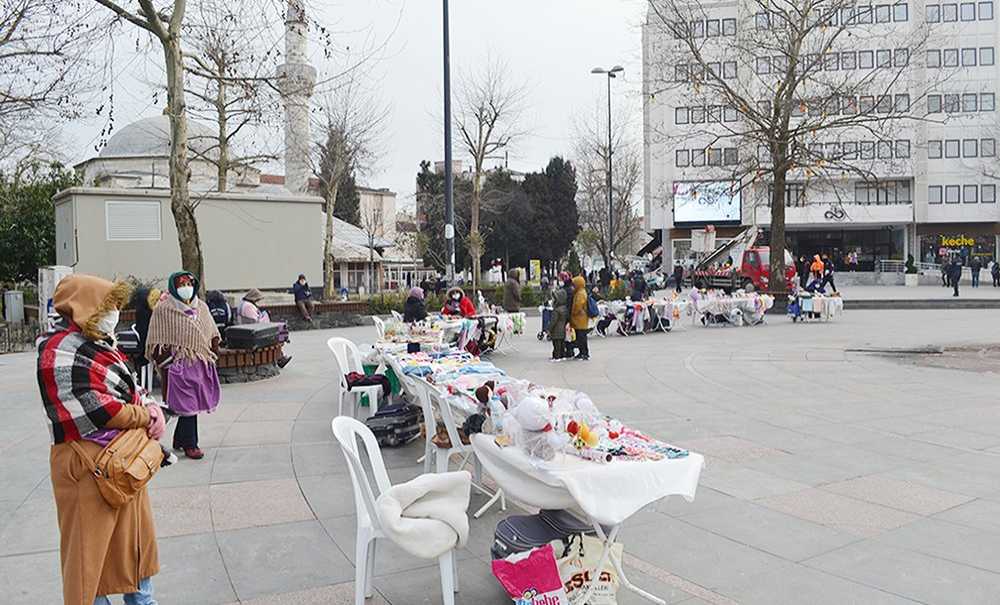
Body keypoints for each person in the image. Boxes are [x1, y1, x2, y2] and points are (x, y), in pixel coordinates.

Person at [37, 274, 165, 605]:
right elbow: (101, 409)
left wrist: (153, 408)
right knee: (89, 559)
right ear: (83, 307)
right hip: (85, 468)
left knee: (134, 549)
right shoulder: (58, 352)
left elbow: (133, 388)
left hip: (124, 461)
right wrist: (145, 416)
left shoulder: (103, 345)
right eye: (106, 306)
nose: (112, 314)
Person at [146, 272, 222, 460]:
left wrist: (213, 352)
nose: (186, 288)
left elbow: (212, 332)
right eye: (181, 285)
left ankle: (180, 439)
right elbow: (156, 339)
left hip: (200, 364)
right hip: (178, 366)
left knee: (192, 405)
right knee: (188, 405)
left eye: (189, 284)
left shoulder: (201, 307)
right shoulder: (164, 309)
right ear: (174, 287)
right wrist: (168, 363)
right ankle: (191, 444)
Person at [236, 289, 292, 368]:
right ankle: (281, 354)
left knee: (279, 330)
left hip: (248, 330)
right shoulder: (248, 306)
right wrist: (265, 315)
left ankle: (281, 355)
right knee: (279, 331)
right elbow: (257, 322)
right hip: (253, 333)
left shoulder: (243, 304)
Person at [567, 276, 591, 360]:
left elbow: (578, 306)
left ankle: (584, 353)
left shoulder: (580, 293)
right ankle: (582, 352)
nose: (573, 286)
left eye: (574, 284)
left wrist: (573, 313)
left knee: (581, 337)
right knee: (581, 337)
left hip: (580, 319)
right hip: (580, 319)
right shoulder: (580, 292)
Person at [549, 278, 569, 361]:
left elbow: (553, 321)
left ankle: (557, 356)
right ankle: (562, 355)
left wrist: (549, 329)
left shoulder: (556, 310)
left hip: (556, 330)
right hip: (563, 330)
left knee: (556, 344)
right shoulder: (565, 308)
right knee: (562, 344)